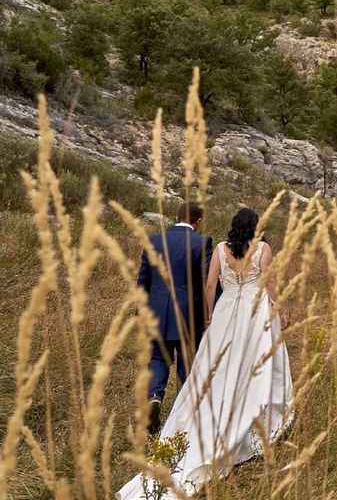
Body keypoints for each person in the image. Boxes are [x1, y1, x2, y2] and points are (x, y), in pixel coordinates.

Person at [118, 208, 293, 499]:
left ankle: (173, 401)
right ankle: (258, 418)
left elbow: (210, 285)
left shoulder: (220, 249)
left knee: (209, 367)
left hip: (222, 315)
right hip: (254, 313)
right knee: (258, 366)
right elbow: (270, 284)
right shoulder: (262, 249)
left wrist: (211, 316)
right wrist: (280, 309)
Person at [138, 202, 213, 435]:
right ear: (197, 221)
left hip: (156, 311)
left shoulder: (153, 241)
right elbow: (207, 282)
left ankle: (154, 397)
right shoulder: (201, 243)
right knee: (187, 363)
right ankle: (183, 414)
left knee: (158, 359)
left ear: (176, 217)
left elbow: (142, 281)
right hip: (188, 313)